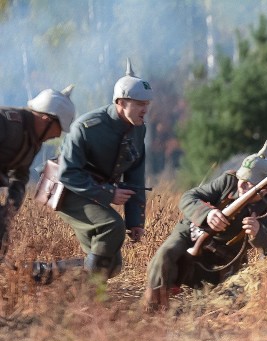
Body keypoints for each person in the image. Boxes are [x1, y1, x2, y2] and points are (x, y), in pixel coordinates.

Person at [144, 141, 267, 311]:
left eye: (250, 182)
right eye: (242, 178)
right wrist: (208, 214)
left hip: (223, 260)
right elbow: (189, 197)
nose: (241, 184)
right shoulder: (228, 181)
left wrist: (259, 234)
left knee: (220, 305)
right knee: (165, 255)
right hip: (192, 234)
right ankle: (152, 309)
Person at [56, 58, 153, 281]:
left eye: (148, 103)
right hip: (69, 192)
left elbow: (135, 176)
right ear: (120, 102)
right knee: (111, 225)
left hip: (94, 195)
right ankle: (90, 293)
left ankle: (39, 273)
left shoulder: (139, 130)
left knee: (111, 265)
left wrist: (136, 221)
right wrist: (109, 194)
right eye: (140, 103)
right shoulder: (87, 127)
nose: (145, 109)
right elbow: (68, 173)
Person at [0, 85, 75, 254]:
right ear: (46, 119)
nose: (58, 136)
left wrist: (9, 210)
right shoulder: (6, 122)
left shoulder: (33, 140)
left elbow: (20, 175)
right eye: (59, 129)